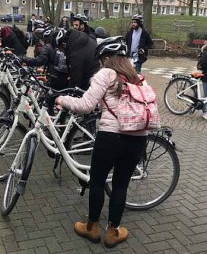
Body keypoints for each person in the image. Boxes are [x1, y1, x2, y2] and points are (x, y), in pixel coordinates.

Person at [55, 37, 147, 248]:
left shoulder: (106, 74)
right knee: (121, 185)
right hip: (137, 137)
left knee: (97, 182)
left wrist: (62, 100)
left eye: (100, 59)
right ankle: (113, 232)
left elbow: (86, 105)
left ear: (106, 58)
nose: (98, 64)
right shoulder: (137, 77)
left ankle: (92, 228)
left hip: (110, 137)